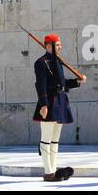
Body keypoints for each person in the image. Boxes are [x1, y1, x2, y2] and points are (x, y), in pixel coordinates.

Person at [33, 34, 87, 182]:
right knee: (46, 139)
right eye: (57, 45)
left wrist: (77, 81)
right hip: (49, 102)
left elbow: (62, 84)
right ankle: (48, 172)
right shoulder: (41, 62)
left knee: (55, 140)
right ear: (48, 46)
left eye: (60, 44)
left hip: (61, 101)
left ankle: (53, 169)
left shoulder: (57, 62)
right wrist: (44, 104)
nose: (60, 47)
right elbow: (40, 84)